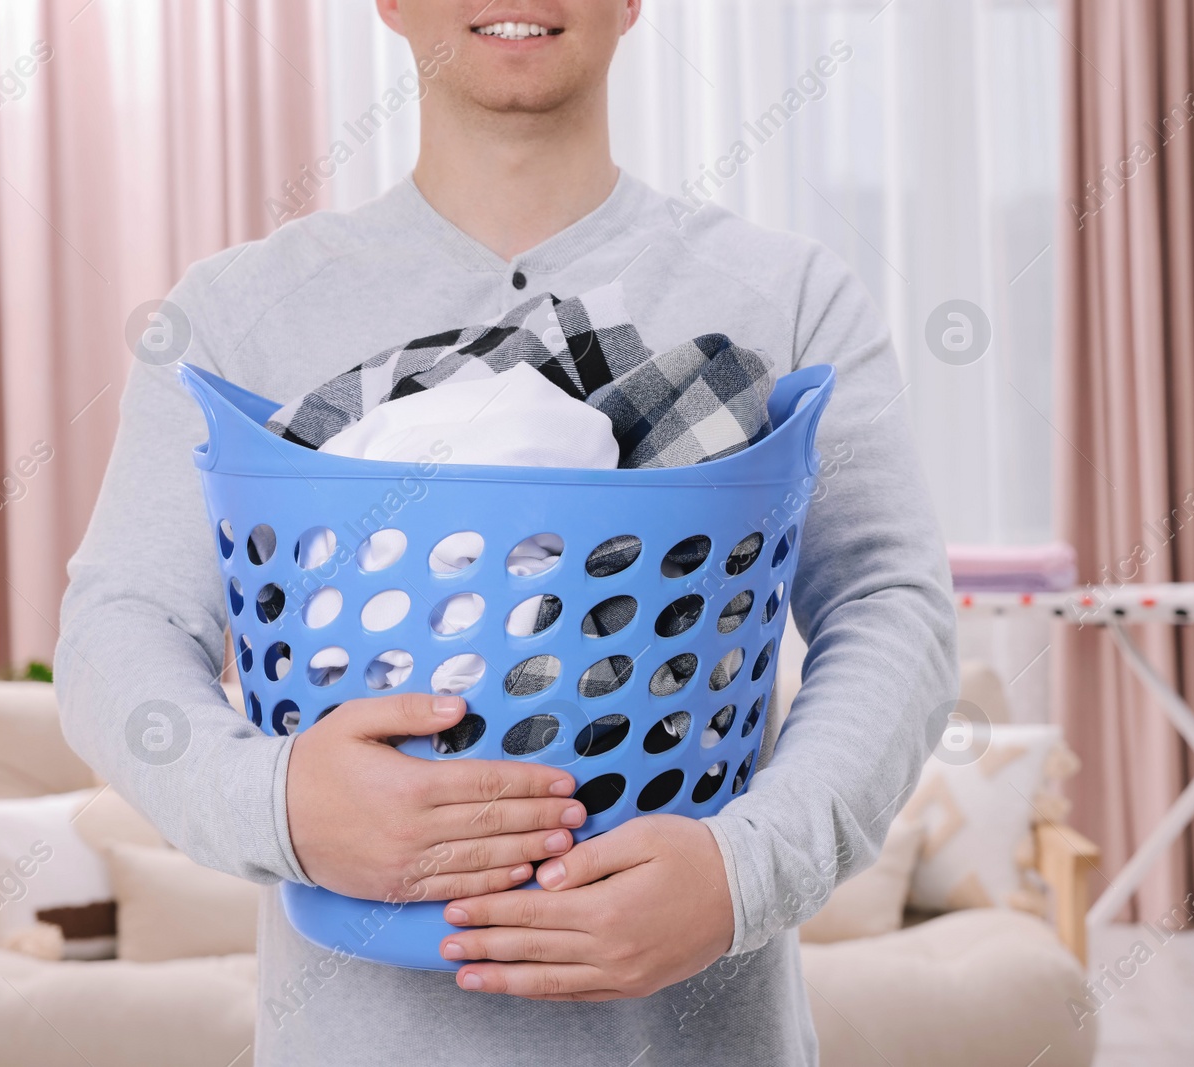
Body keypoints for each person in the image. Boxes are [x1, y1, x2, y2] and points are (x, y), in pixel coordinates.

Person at [55, 1, 955, 1062]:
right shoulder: (238, 314)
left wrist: (744, 868)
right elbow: (119, 625)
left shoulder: (789, 299)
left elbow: (888, 603)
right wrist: (281, 802)